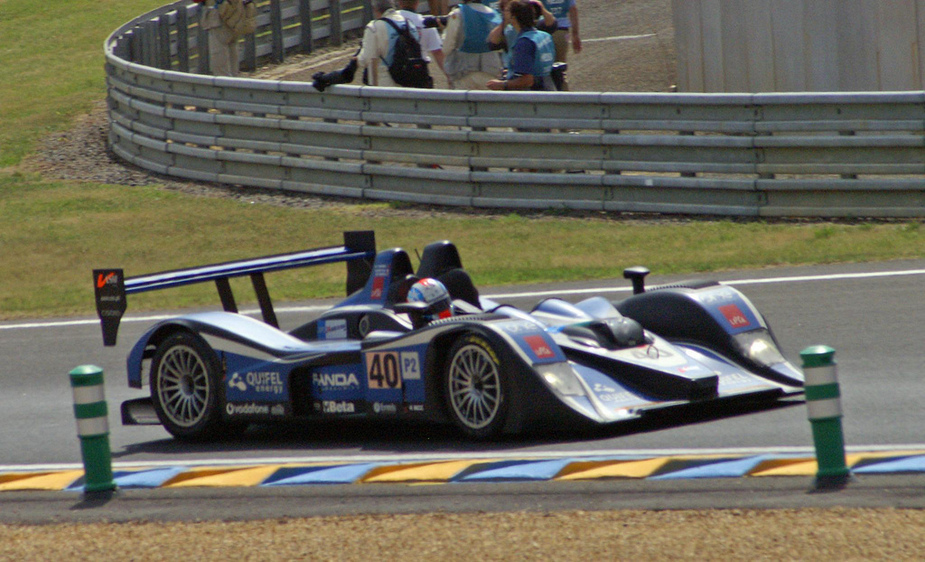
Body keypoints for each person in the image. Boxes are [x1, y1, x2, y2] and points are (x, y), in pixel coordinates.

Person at [486, 0, 556, 91]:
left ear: (513, 17)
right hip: (548, 87)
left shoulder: (524, 42)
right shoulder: (545, 36)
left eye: (507, 11)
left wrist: (502, 84)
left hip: (531, 94)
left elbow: (527, 80)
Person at [441, 0, 504, 90]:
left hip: (463, 71)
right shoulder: (494, 14)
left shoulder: (458, 13)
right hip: (491, 70)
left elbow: (447, 47)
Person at [357, 0, 420, 87]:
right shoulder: (409, 23)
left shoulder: (374, 27)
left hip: (385, 82)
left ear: (375, 9)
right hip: (412, 79)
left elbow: (365, 59)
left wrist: (356, 58)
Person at [193, 0, 255, 77]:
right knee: (232, 49)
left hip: (219, 15)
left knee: (219, 54)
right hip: (235, 14)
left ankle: (224, 81)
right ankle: (234, 80)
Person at [397, 0, 446, 76]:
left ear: (399, 2)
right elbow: (437, 53)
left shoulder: (389, 21)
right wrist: (449, 76)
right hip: (419, 70)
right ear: (417, 3)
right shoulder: (426, 23)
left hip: (394, 70)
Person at [539, 0, 580, 89]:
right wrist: (575, 34)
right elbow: (573, 9)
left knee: (543, 67)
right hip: (561, 31)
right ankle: (563, 93)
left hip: (542, 31)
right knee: (560, 69)